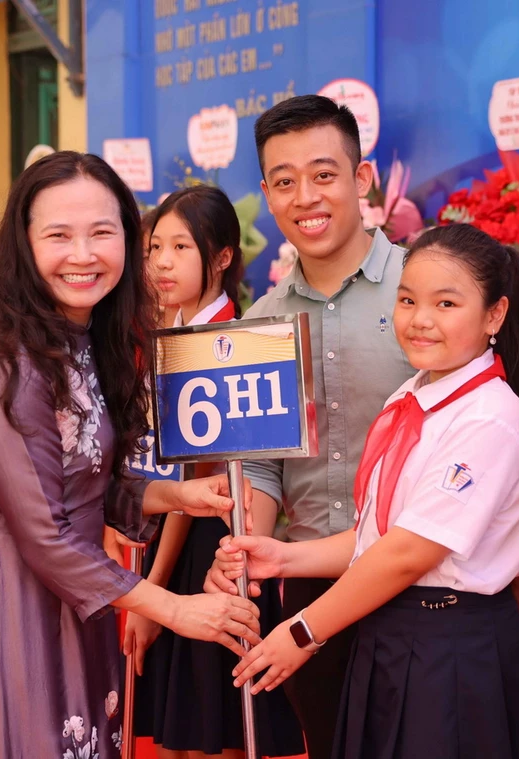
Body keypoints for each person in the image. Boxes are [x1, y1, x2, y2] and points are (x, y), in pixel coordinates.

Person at [203, 93, 519, 759]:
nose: (306, 196)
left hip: (426, 599)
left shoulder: (429, 278)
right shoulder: (260, 324)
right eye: (284, 181)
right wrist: (258, 544)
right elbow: (261, 462)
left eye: (324, 174)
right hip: (318, 572)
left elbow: (484, 457)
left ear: (362, 180)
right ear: (267, 195)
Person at [0, 152, 262, 757]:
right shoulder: (8, 362)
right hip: (10, 599)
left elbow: (84, 482)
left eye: (103, 232)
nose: (84, 254)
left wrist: (177, 494)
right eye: (59, 235)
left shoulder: (80, 336)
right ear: (25, 244)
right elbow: (44, 530)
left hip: (75, 593)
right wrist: (174, 609)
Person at [126, 186, 304, 759]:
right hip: (173, 547)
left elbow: (194, 492)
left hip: (214, 553)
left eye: (181, 246)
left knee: (215, 733)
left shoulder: (223, 343)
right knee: (186, 733)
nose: (162, 262)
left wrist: (152, 590)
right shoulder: (171, 334)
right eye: (156, 247)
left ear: (223, 257)